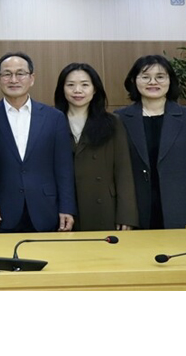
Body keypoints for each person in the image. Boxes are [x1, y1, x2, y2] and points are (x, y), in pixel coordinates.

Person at [116, 54, 186, 230]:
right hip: (135, 213)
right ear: (134, 81)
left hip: (183, 208)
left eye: (160, 77)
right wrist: (122, 213)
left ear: (170, 80)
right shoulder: (120, 119)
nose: (153, 82)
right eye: (145, 77)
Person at [0, 52, 76, 232]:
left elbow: (63, 167)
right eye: (7, 74)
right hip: (1, 210)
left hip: (46, 208)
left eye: (20, 73)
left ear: (32, 78)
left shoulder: (54, 117)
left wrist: (67, 207)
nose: (14, 79)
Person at [53, 63, 138, 231]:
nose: (77, 90)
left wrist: (126, 215)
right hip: (63, 207)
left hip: (102, 205)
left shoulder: (112, 122)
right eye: (70, 85)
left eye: (85, 85)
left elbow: (123, 171)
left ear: (95, 89)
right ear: (62, 89)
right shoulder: (52, 121)